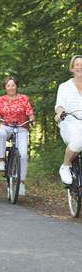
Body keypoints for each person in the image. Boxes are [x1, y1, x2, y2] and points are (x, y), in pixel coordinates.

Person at [0, 76, 35, 196]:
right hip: (7, 126)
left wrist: (31, 119)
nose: (11, 88)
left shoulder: (23, 98)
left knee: (23, 156)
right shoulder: (1, 100)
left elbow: (30, 112)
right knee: (0, 133)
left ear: (16, 86)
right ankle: (1, 161)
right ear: (5, 88)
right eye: (8, 85)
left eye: (13, 85)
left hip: (21, 128)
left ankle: (21, 183)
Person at [55, 55, 82, 184]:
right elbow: (59, 106)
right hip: (69, 122)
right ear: (72, 68)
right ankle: (65, 166)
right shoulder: (64, 86)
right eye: (77, 64)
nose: (80, 67)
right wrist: (61, 113)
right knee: (79, 140)